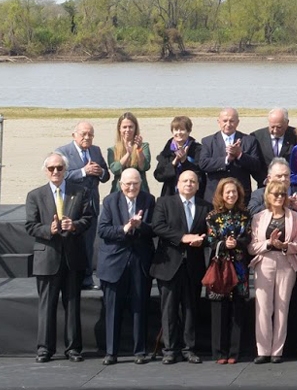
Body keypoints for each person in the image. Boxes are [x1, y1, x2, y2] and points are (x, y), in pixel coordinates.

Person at [26, 152, 94, 363]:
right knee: (47, 305)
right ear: (45, 171)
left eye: (59, 168)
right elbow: (30, 226)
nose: (55, 172)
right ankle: (45, 348)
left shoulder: (80, 191)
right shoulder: (35, 195)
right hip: (48, 258)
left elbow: (88, 219)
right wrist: (50, 229)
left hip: (72, 258)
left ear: (65, 170)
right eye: (51, 168)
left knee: (73, 304)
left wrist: (73, 226)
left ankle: (73, 348)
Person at [96, 168, 156, 365]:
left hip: (139, 261)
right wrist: (125, 228)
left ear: (141, 183)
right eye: (128, 184)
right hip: (114, 262)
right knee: (113, 309)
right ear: (121, 184)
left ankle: (140, 351)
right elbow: (103, 230)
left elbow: (154, 230)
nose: (132, 187)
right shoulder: (110, 201)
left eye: (135, 184)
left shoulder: (149, 200)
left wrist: (140, 226)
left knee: (140, 307)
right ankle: (111, 352)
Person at [150, 168, 209, 365]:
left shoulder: (205, 206)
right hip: (169, 264)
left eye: (193, 181)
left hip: (193, 265)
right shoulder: (164, 203)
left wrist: (203, 240)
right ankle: (169, 349)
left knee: (191, 308)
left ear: (198, 185)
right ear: (177, 184)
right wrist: (183, 238)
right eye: (185, 181)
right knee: (169, 309)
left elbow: (210, 233)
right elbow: (157, 227)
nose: (189, 184)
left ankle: (189, 348)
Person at [249, 182, 297, 364]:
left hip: (286, 263)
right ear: (268, 196)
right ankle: (263, 350)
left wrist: (285, 246)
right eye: (275, 194)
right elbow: (251, 246)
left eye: (282, 194)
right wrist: (269, 244)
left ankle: (276, 352)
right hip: (264, 261)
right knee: (263, 308)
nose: (279, 197)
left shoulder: (294, 216)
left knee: (282, 307)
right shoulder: (258, 217)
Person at [56, 120, 109, 289]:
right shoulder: (63, 152)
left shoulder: (96, 150)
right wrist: (82, 172)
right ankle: (69, 277)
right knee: (69, 241)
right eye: (83, 134)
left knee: (88, 242)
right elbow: (59, 176)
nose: (87, 137)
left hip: (91, 204)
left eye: (90, 135)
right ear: (74, 135)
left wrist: (100, 172)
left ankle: (87, 278)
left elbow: (106, 174)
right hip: (71, 204)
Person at [204, 177, 251, 364]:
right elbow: (209, 240)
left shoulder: (245, 214)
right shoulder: (212, 216)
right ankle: (219, 352)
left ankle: (234, 352)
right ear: (221, 195)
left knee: (237, 310)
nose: (231, 195)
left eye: (234, 191)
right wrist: (224, 244)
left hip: (239, 266)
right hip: (220, 266)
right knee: (219, 310)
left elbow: (248, 238)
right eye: (227, 192)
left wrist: (237, 242)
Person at [197, 108, 261, 203]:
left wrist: (239, 155)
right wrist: (226, 159)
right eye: (225, 121)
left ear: (237, 122)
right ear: (219, 122)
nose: (228, 124)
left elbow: (256, 166)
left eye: (231, 121)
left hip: (240, 196)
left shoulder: (249, 140)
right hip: (215, 196)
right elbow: (203, 164)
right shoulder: (208, 141)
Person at [154, 115, 204, 197]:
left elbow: (199, 175)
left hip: (193, 194)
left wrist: (184, 161)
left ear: (188, 131)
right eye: (176, 130)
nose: (179, 133)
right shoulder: (167, 150)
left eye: (182, 130)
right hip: (170, 194)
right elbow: (159, 175)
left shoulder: (197, 149)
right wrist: (173, 163)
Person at [248, 108, 297, 188]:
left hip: (290, 185)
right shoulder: (256, 137)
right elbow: (255, 164)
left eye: (279, 127)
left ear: (287, 123)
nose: (275, 130)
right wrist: (265, 180)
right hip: (265, 186)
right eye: (272, 127)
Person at [106, 112, 151, 193]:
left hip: (140, 190)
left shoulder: (144, 146)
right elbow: (115, 170)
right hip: (119, 190)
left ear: (135, 128)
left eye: (130, 127)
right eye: (124, 127)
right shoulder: (112, 150)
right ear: (119, 128)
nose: (127, 130)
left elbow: (144, 167)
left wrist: (138, 150)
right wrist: (128, 154)